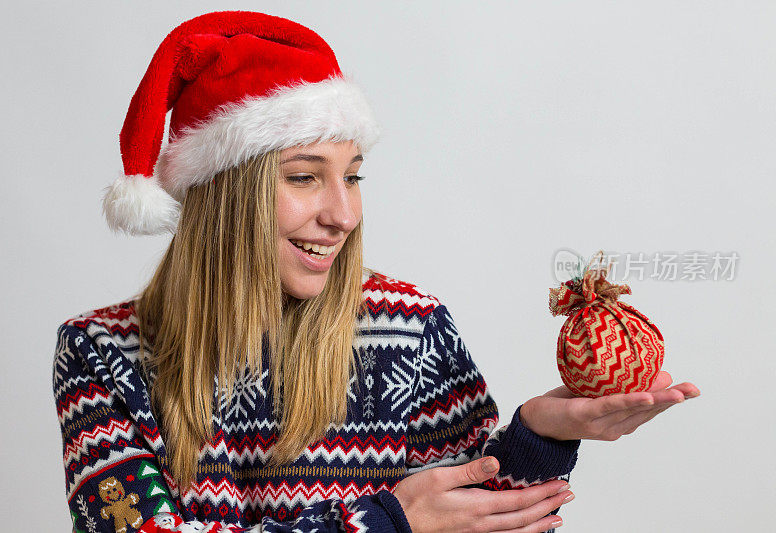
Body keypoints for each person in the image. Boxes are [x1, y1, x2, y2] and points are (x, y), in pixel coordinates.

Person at [53, 11, 700, 533]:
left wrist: (540, 435)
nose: (345, 213)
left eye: (353, 176)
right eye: (305, 177)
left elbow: (470, 514)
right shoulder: (101, 355)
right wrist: (384, 522)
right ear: (226, 193)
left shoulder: (408, 329)